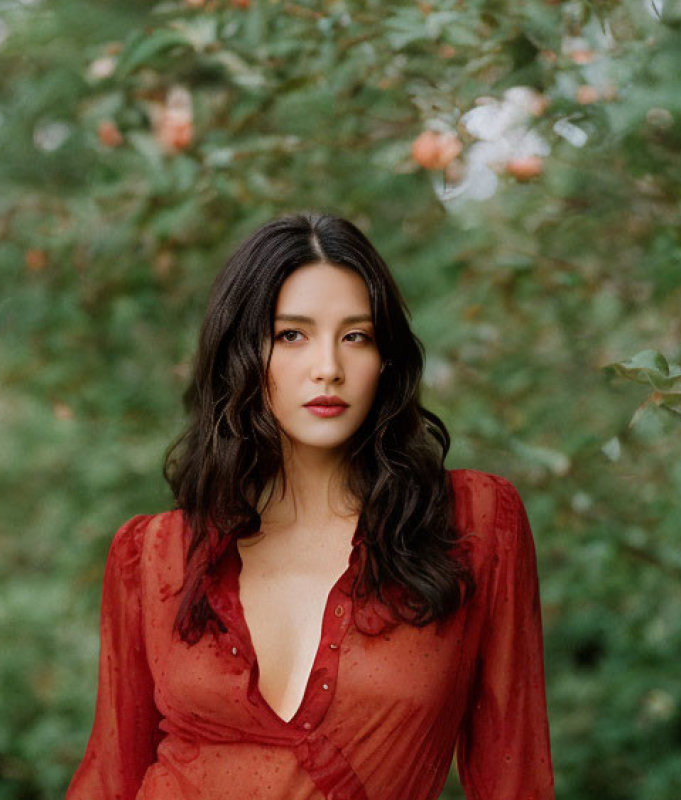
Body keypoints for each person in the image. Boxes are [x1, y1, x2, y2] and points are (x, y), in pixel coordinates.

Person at [66, 213, 554, 800]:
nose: (329, 367)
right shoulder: (153, 555)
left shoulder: (473, 523)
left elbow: (514, 773)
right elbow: (109, 778)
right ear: (241, 354)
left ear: (386, 360)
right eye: (291, 335)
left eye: (357, 336)